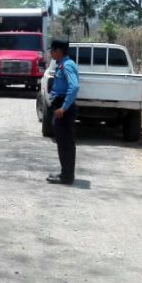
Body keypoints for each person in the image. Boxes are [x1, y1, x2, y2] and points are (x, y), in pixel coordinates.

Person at [47, 38, 80, 184]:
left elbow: (74, 87)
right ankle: (65, 173)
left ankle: (67, 176)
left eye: (52, 50)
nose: (50, 53)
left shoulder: (67, 66)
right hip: (60, 107)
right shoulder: (62, 64)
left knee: (65, 143)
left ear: (58, 51)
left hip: (64, 109)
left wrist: (63, 107)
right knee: (62, 142)